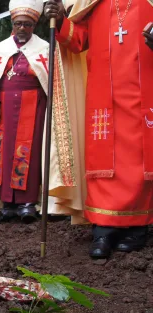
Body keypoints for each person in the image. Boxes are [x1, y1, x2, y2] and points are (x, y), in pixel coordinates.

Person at [46, 0, 153, 258]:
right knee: (103, 159)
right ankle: (103, 229)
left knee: (139, 159)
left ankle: (137, 227)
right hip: (102, 97)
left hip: (143, 94)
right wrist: (61, 20)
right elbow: (78, 40)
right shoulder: (92, 2)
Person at [0, 0, 83, 224]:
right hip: (5, 110)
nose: (22, 28)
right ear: (13, 23)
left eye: (27, 25)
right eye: (19, 24)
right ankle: (7, 204)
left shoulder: (44, 48)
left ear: (34, 25)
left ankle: (28, 203)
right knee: (4, 154)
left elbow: (53, 84)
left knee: (29, 153)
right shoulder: (1, 49)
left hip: (34, 106)